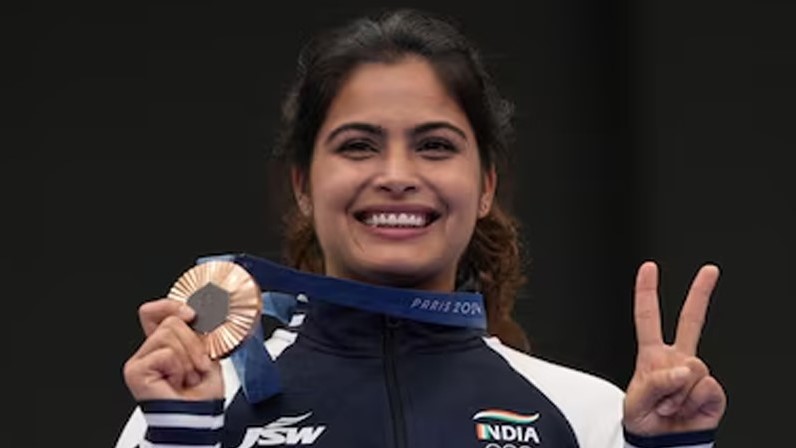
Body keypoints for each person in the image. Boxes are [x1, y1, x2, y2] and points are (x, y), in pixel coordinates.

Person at [115, 8, 726, 448]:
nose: (397, 175)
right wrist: (183, 438)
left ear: (485, 186)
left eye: (435, 145)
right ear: (303, 186)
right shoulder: (196, 407)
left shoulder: (590, 415)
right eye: (358, 146)